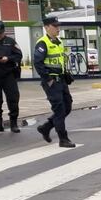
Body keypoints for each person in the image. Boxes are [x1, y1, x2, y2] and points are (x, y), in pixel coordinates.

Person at [33, 17, 76, 148]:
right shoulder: (42, 43)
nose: (58, 29)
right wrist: (48, 79)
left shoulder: (59, 42)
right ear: (46, 27)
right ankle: (63, 139)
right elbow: (38, 63)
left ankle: (46, 127)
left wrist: (65, 74)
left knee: (67, 106)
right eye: (55, 26)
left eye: (58, 26)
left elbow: (60, 60)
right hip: (51, 82)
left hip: (61, 80)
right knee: (59, 110)